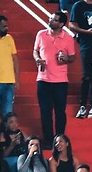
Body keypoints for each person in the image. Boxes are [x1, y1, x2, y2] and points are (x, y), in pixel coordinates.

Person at [33, 10, 77, 146]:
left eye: (55, 19)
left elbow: (72, 57)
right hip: (43, 79)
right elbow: (35, 50)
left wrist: (65, 58)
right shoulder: (41, 34)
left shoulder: (68, 38)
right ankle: (47, 139)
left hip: (60, 81)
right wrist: (38, 59)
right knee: (45, 111)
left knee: (60, 112)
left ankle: (60, 139)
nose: (50, 20)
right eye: (51, 18)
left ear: (62, 24)